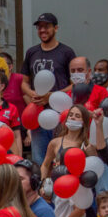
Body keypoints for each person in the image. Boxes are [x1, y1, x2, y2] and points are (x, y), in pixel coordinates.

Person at [21, 14, 76, 161]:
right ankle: (41, 184)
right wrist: (32, 93)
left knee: (60, 156)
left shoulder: (66, 52)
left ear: (56, 28)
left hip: (60, 113)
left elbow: (74, 84)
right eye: (39, 27)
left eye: (47, 26)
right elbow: (24, 82)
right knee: (39, 157)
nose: (42, 30)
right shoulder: (31, 52)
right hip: (37, 113)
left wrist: (51, 96)